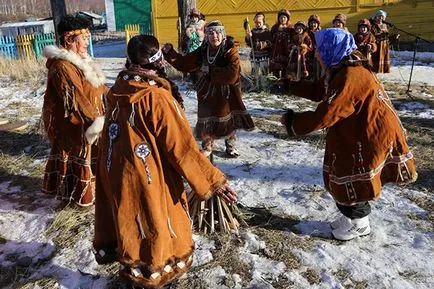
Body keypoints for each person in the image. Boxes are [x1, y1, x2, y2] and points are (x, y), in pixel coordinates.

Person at [93, 35, 238, 289]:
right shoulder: (156, 96)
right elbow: (180, 146)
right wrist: (212, 179)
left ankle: (133, 272)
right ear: (158, 61)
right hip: (151, 175)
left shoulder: (116, 90)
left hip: (118, 172)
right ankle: (155, 275)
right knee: (156, 220)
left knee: (129, 221)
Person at [280, 28, 417, 241]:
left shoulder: (351, 75)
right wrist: (290, 86)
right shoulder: (343, 65)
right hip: (359, 130)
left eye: (319, 49)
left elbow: (328, 112)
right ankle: (351, 220)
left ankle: (359, 225)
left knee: (352, 172)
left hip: (370, 134)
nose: (316, 54)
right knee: (345, 170)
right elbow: (323, 90)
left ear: (332, 48)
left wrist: (293, 122)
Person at [41, 14, 107, 206]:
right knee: (76, 155)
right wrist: (96, 121)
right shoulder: (62, 66)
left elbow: (100, 88)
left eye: (88, 38)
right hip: (72, 123)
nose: (87, 43)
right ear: (69, 40)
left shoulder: (83, 61)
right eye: (83, 38)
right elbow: (76, 98)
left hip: (88, 120)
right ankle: (73, 195)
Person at [163, 20, 255, 158]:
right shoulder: (202, 51)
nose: (214, 36)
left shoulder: (230, 50)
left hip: (226, 91)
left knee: (227, 117)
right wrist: (170, 53)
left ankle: (230, 146)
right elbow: (185, 63)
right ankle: (207, 145)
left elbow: (232, 73)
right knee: (206, 116)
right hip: (206, 91)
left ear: (223, 34)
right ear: (206, 36)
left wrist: (210, 70)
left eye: (218, 32)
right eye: (211, 33)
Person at [244, 12, 272, 88]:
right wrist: (248, 37)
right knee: (254, 72)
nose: (258, 24)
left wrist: (261, 44)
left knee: (264, 72)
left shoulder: (266, 31)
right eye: (256, 22)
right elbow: (249, 43)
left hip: (264, 55)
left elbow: (269, 42)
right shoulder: (252, 31)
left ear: (263, 21)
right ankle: (254, 86)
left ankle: (264, 86)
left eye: (259, 22)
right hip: (254, 55)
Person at [270, 9, 293, 79]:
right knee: (275, 71)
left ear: (287, 19)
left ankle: (285, 87)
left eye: (284, 17)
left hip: (286, 53)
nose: (282, 19)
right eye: (281, 17)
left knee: (285, 71)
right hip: (276, 52)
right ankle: (275, 86)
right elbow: (270, 39)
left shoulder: (290, 29)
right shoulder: (274, 28)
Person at [307, 14, 322, 80]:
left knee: (318, 71)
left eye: (315, 23)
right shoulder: (306, 33)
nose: (313, 25)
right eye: (311, 23)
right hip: (308, 55)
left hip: (318, 55)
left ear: (318, 24)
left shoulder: (321, 33)